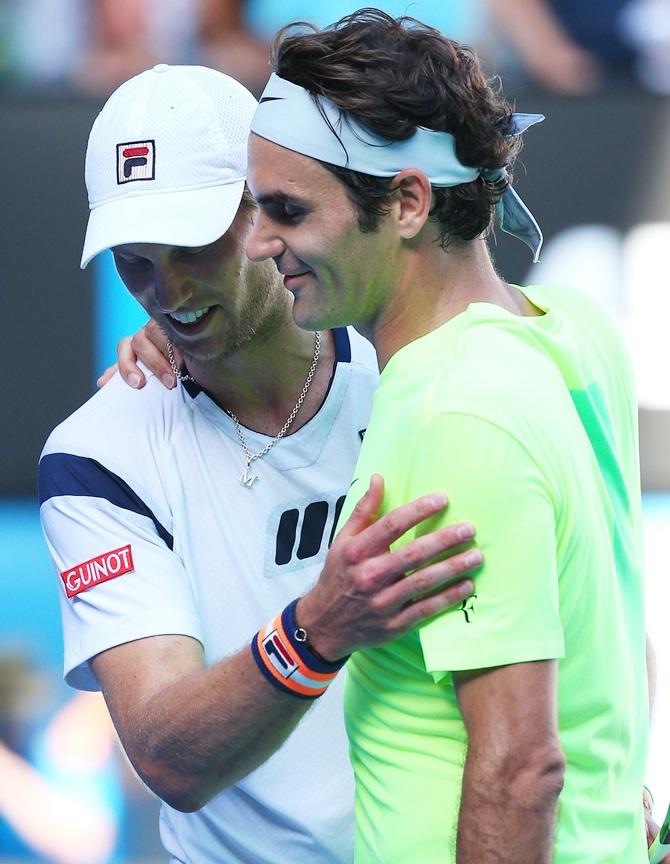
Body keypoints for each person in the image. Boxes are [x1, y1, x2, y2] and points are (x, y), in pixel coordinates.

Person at [38, 63, 483, 863]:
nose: (166, 289)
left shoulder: (417, 363)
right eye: (133, 258)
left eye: (194, 246)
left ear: (267, 206)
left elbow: (571, 588)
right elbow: (167, 756)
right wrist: (317, 630)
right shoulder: (94, 456)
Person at [237, 8, 649, 862]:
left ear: (408, 201)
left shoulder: (447, 404)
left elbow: (520, 769)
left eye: (285, 209)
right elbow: (615, 641)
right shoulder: (574, 331)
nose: (257, 241)